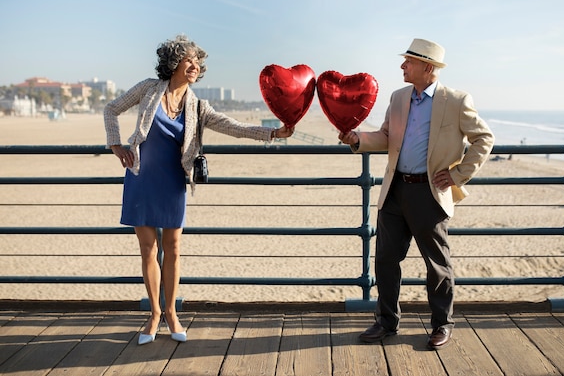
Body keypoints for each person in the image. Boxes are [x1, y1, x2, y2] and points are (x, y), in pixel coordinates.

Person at [103, 34, 293, 345]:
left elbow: (234, 126)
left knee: (174, 248)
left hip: (173, 182)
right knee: (148, 250)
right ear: (173, 63)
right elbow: (111, 109)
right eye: (189, 59)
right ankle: (153, 315)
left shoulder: (197, 105)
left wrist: (274, 133)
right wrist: (115, 145)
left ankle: (172, 313)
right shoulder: (148, 89)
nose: (195, 65)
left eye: (198, 62)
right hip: (141, 178)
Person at [339, 38, 494, 349]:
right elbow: (385, 136)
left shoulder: (457, 100)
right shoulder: (398, 98)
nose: (402, 66)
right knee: (384, 259)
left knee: (436, 263)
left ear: (428, 67)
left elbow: (484, 139)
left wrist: (457, 174)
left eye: (408, 62)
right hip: (395, 191)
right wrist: (357, 138)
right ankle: (386, 322)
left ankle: (442, 325)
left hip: (430, 192)